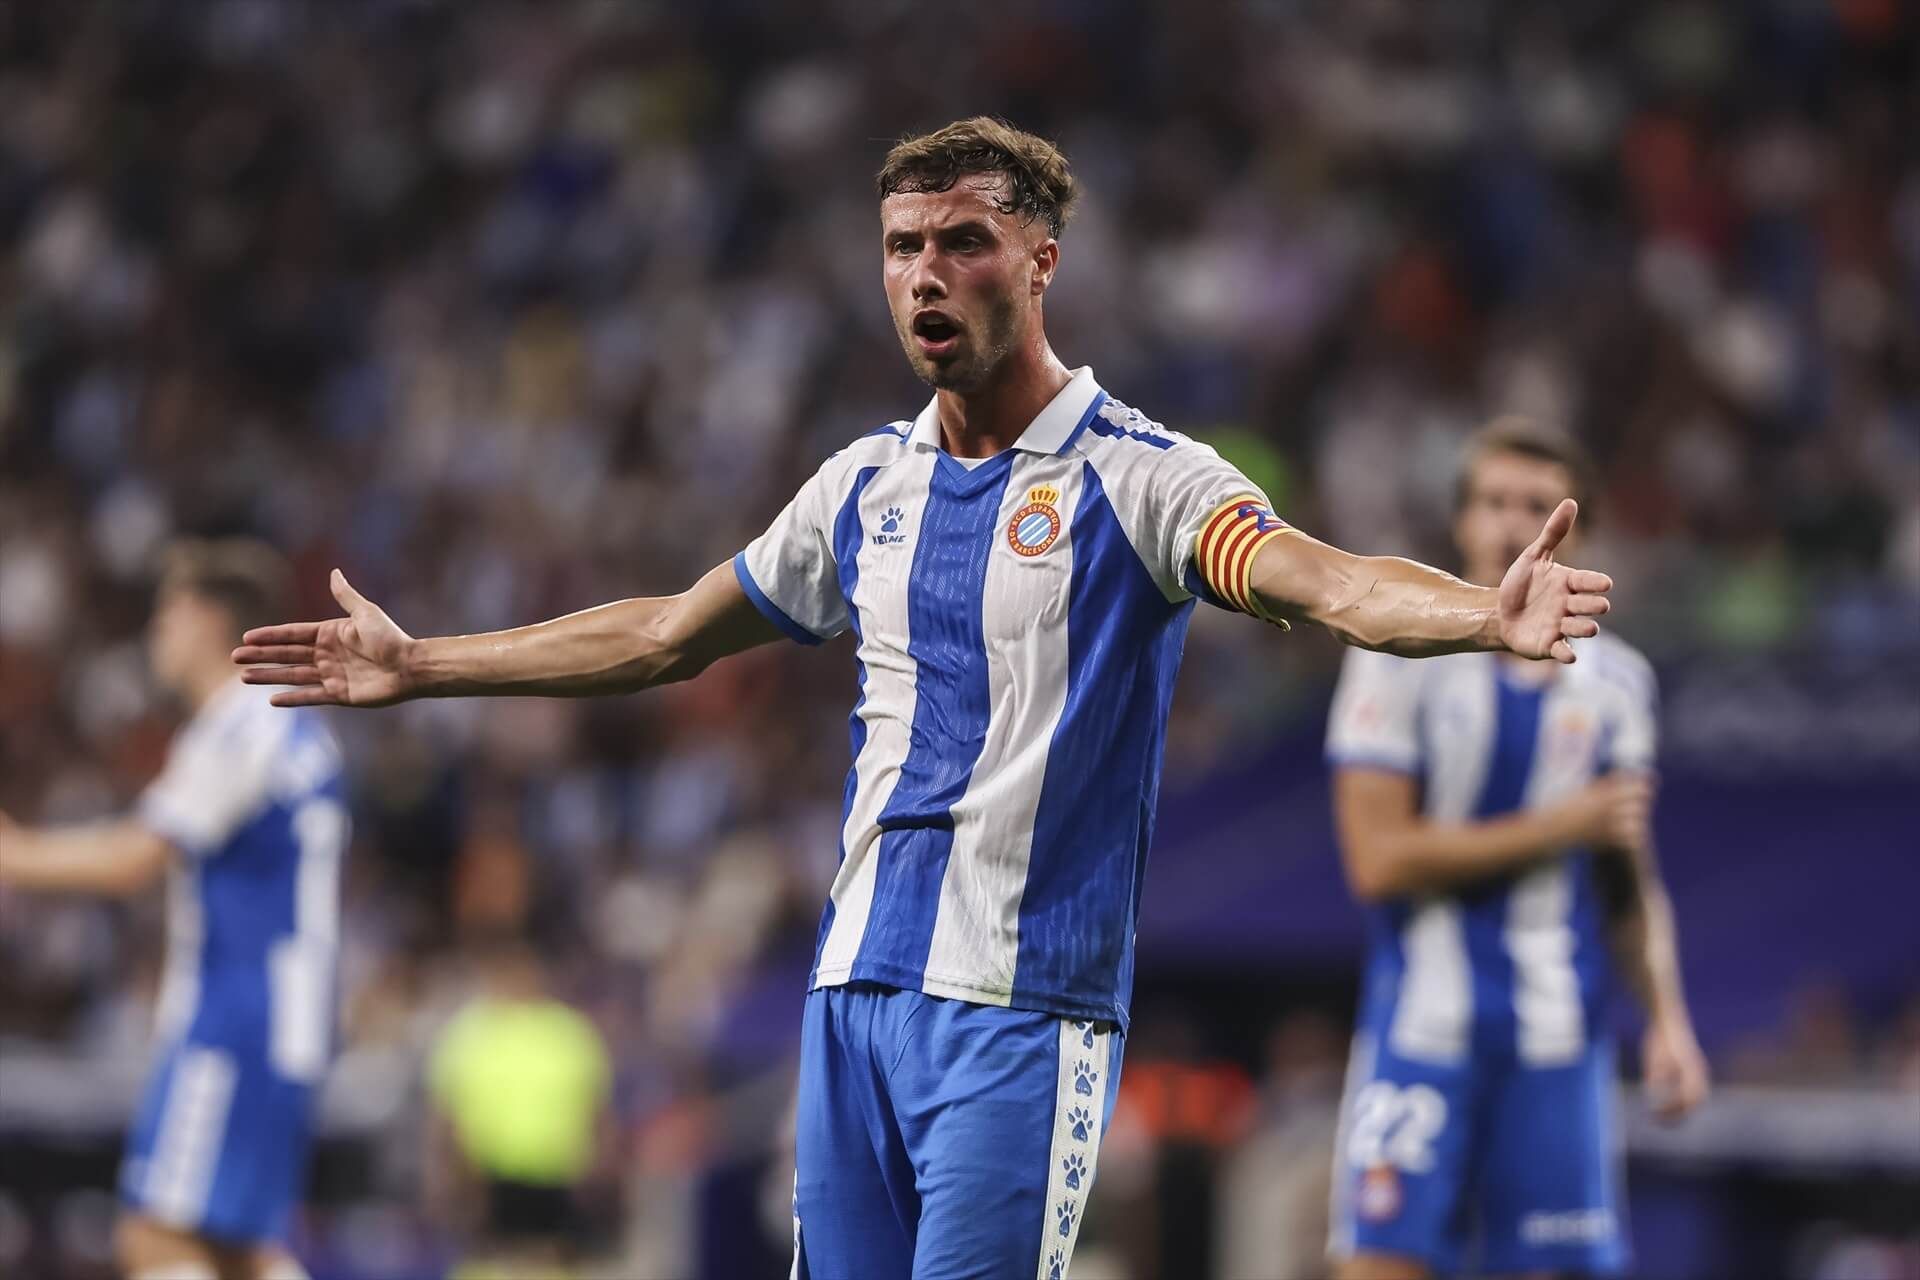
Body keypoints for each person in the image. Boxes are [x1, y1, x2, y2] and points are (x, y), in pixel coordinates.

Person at [233, 118, 1614, 1279]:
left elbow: (1325, 583)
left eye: (963, 243)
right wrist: (428, 666)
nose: (926, 276)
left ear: (1042, 261)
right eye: (904, 248)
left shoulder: (1142, 480)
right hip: (852, 1000)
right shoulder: (863, 487)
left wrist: (1477, 614)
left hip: (1020, 1014)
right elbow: (664, 633)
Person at [1323, 418, 1711, 1280]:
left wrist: (1669, 1025)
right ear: (1461, 521)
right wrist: (1557, 827)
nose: (1510, 524)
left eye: (1536, 504)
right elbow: (1376, 860)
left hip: (1558, 1046)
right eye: (1494, 501)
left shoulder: (1618, 686)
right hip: (1420, 1033)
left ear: (1580, 531)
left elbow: (1627, 882)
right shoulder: (1395, 660)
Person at [0, 539, 348, 1280]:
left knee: (154, 1239)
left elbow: (133, 858)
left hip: (234, 1014)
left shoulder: (240, 721)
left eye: (166, 612)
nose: (157, 632)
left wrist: (15, 853)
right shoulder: (293, 723)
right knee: (240, 1249)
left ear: (204, 617)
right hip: (284, 1020)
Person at [425, 936, 611, 1280]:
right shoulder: (471, 1032)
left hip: (553, 1168)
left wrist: (597, 1165)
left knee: (548, 1257)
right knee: (492, 1256)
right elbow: (447, 1110)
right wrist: (450, 1170)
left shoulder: (567, 1032)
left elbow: (594, 1106)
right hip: (487, 1171)